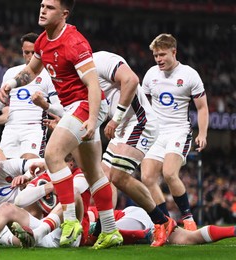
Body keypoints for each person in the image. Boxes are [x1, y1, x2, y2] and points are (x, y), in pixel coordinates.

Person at [0, 0, 121, 249]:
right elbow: (31, 71)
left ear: (64, 13)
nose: (42, 10)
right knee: (93, 172)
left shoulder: (75, 42)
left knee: (53, 153)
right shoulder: (43, 40)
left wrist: (91, 119)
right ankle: (110, 230)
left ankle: (69, 221)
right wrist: (11, 85)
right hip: (75, 108)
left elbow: (94, 86)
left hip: (86, 105)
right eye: (42, 5)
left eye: (50, 7)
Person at [93, 50, 176, 247]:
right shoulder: (79, 74)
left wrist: (116, 119)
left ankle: (163, 220)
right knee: (103, 177)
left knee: (119, 177)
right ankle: (106, 228)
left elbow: (131, 80)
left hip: (139, 122)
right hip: (121, 125)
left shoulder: (100, 59)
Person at [141, 33, 209, 231]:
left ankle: (188, 218)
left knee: (170, 173)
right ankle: (165, 222)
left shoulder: (189, 75)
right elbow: (143, 106)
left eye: (162, 55)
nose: (158, 59)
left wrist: (202, 133)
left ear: (174, 52)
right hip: (155, 133)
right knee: (147, 178)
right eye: (155, 56)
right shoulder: (150, 75)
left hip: (178, 131)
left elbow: (202, 108)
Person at [0, 32, 63, 159]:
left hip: (34, 129)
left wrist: (45, 105)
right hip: (10, 128)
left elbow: (60, 110)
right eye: (27, 53)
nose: (30, 57)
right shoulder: (11, 73)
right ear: (22, 51)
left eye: (33, 53)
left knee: (29, 167)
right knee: (6, 170)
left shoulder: (49, 74)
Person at [89, 206, 236, 246]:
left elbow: (96, 225)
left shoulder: (80, 211)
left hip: (133, 216)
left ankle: (145, 235)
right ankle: (232, 230)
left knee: (99, 234)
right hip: (142, 218)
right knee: (189, 238)